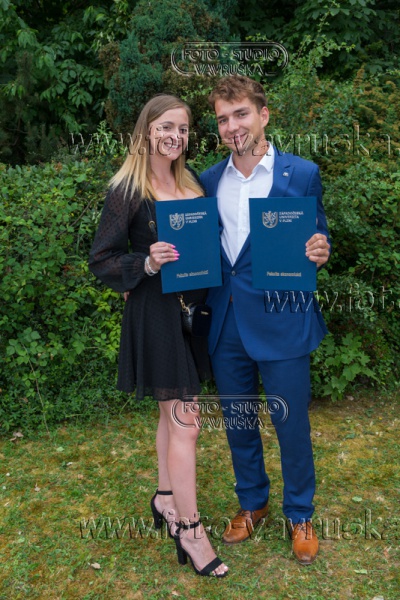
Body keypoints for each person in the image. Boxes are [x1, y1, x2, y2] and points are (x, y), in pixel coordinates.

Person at [88, 94, 228, 577]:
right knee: (187, 421)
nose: (175, 136)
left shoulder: (192, 182)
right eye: (167, 126)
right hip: (156, 314)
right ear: (147, 129)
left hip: (193, 314)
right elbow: (101, 259)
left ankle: (166, 497)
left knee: (172, 416)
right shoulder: (127, 189)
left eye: (183, 129)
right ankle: (190, 531)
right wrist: (145, 263)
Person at [200, 75, 331, 565]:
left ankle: (300, 514)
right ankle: (252, 502)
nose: (232, 126)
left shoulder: (302, 174)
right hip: (227, 320)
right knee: (238, 421)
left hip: (283, 319)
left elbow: (319, 236)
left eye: (241, 114)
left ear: (264, 115)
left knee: (291, 423)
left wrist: (321, 249)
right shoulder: (207, 180)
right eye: (223, 119)